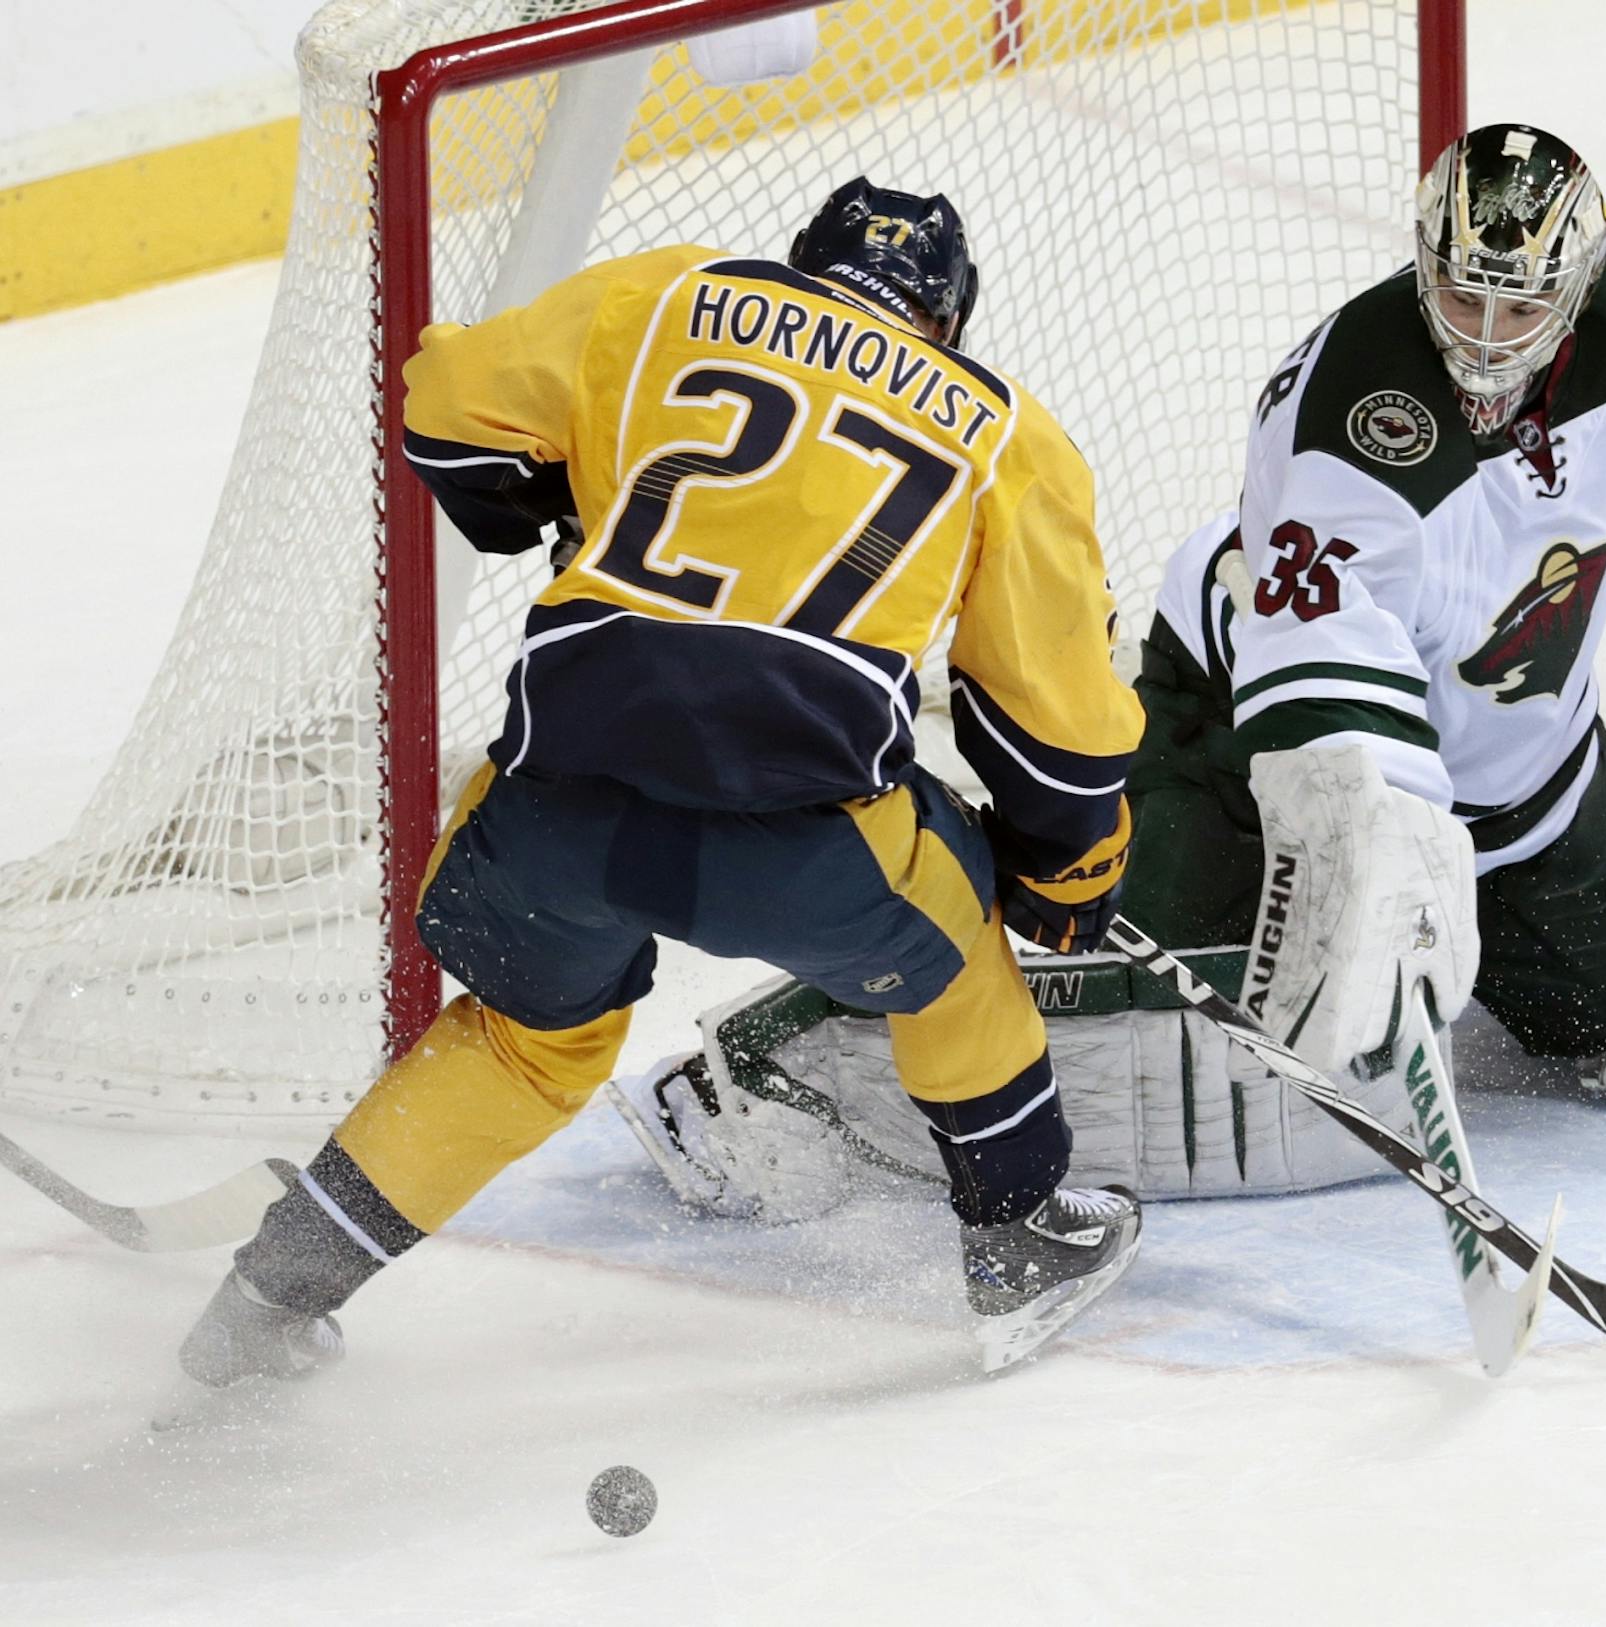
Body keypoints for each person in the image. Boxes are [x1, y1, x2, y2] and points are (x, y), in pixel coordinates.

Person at [614, 125, 1606, 1215]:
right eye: (1461, 296)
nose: (1484, 337)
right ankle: (768, 1058)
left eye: (1519, 307)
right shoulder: (1348, 420)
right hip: (1243, 749)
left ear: (1581, 284)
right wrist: (1383, 852)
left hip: (1528, 795)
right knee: (1074, 932)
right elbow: (1324, 695)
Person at [177, 178, 1148, 1385]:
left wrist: (546, 495)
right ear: (947, 321)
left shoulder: (669, 293)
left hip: (556, 809)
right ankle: (1019, 1236)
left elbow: (447, 408)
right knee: (958, 949)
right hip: (797, 843)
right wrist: (1069, 865)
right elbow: (1053, 722)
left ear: (800, 264)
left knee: (524, 1046)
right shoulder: (1005, 431)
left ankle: (265, 1298)